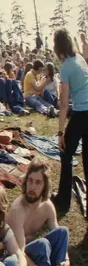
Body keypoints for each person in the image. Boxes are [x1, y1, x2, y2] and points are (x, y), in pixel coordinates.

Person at [53, 28, 88, 213]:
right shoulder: (80, 59)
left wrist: (60, 133)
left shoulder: (66, 66)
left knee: (66, 155)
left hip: (81, 114)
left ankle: (63, 200)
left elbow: (64, 104)